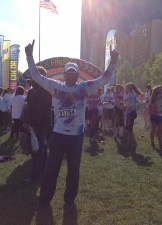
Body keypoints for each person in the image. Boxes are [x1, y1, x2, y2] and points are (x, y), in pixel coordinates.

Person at [25, 40, 119, 209]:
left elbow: (104, 79)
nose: (70, 76)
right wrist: (29, 56)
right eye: (68, 73)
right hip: (58, 136)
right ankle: (44, 200)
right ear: (64, 74)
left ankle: (69, 201)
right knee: (51, 170)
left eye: (73, 74)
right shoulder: (54, 86)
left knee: (73, 171)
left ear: (76, 75)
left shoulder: (84, 88)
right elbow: (36, 76)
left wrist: (113, 62)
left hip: (76, 137)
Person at [23, 66, 52, 182]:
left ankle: (36, 175)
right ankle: (43, 171)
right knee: (42, 147)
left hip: (39, 124)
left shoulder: (44, 90)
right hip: (39, 124)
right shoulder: (35, 90)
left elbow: (40, 109)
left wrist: (31, 124)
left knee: (37, 149)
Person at [149, 85, 162, 150]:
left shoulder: (152, 97)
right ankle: (160, 144)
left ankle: (152, 142)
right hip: (160, 115)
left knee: (153, 130)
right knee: (160, 131)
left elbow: (150, 106)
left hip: (153, 115)